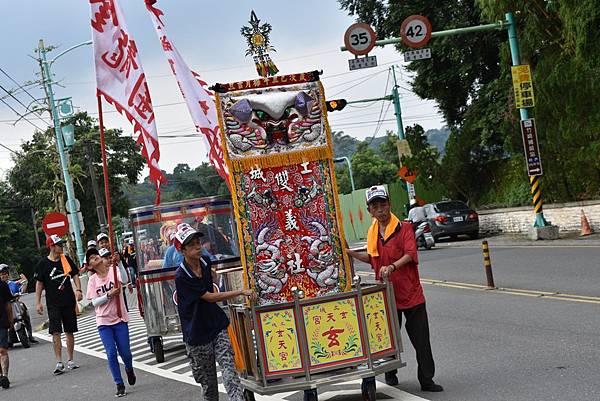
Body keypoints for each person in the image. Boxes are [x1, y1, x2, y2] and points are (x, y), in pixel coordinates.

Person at [347, 185, 443, 392]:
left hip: (411, 294)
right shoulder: (373, 233)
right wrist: (350, 253)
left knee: (421, 340)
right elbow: (372, 260)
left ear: (389, 205)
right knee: (387, 337)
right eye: (375, 206)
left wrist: (392, 266)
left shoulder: (404, 227)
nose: (380, 209)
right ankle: (391, 372)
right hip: (387, 295)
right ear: (369, 211)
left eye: (383, 204)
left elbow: (410, 254)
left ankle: (427, 379)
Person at [174, 223, 255, 401]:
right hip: (196, 333)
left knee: (229, 369)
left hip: (216, 325)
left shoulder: (205, 261)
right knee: (209, 384)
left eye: (198, 242)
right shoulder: (182, 276)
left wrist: (213, 274)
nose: (197, 247)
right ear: (183, 250)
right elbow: (209, 296)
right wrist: (240, 291)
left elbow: (211, 280)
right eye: (191, 244)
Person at [86, 247, 136, 397]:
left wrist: (119, 263)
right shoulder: (92, 280)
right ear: (90, 266)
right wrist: (108, 295)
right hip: (103, 322)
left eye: (96, 256)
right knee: (111, 353)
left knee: (125, 353)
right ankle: (119, 383)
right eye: (91, 259)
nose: (95, 258)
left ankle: (129, 368)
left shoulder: (114, 270)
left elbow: (126, 281)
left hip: (119, 318)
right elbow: (94, 302)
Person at [34, 234, 83, 375]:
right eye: (59, 244)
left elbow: (75, 275)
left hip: (68, 301)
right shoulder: (43, 264)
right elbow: (39, 283)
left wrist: (78, 290)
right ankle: (59, 362)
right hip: (53, 303)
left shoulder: (65, 259)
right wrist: (38, 302)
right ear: (52, 246)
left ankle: (71, 360)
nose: (62, 246)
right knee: (56, 331)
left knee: (69, 330)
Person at [0, 265, 37, 345]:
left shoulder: (13, 283)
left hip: (15, 304)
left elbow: (22, 290)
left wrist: (25, 283)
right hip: (4, 307)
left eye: (5, 273)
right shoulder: (1, 285)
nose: (4, 276)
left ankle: (30, 335)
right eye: (2, 274)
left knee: (23, 308)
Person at [0, 274, 13, 389]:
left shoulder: (2, 285)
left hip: (1, 321)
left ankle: (5, 376)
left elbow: (8, 304)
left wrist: (10, 320)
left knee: (2, 350)